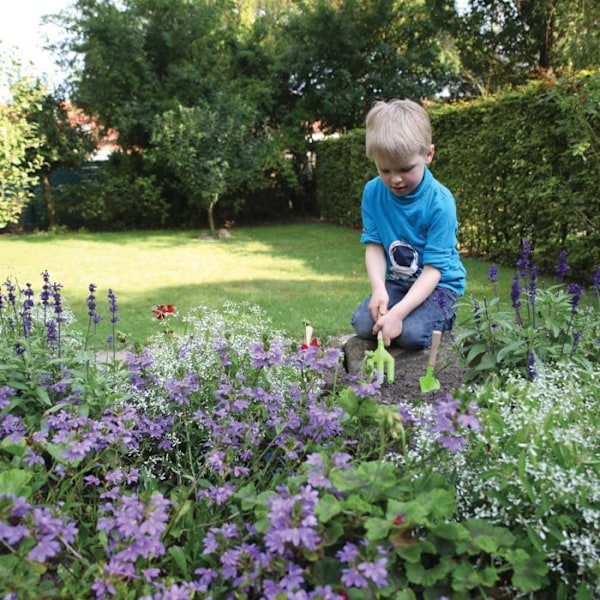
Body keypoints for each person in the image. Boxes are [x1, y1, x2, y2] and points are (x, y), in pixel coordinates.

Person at [349, 99, 466, 351]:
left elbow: (434, 270)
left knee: (411, 334)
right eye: (385, 170)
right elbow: (374, 246)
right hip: (399, 281)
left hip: (440, 285)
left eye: (405, 168)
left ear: (428, 154)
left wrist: (398, 313)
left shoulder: (440, 203)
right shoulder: (372, 192)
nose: (396, 179)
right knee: (363, 323)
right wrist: (379, 290)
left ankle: (445, 316)